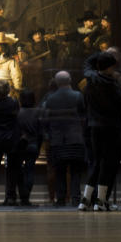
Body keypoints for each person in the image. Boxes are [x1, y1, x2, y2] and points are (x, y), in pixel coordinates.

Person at [80, 50, 121, 211]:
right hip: (111, 128)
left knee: (95, 163)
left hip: (94, 127)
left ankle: (85, 199)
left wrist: (101, 55)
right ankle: (101, 201)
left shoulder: (91, 79)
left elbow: (88, 62)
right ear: (110, 68)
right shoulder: (112, 86)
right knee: (108, 164)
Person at [42, 71, 86, 207]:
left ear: (56, 82)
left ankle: (60, 198)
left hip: (57, 140)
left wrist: (48, 137)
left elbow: (46, 120)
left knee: (60, 171)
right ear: (70, 80)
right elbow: (83, 115)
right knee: (75, 171)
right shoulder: (78, 96)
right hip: (75, 138)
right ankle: (75, 198)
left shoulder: (50, 99)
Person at [14, 89, 42, 206]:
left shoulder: (17, 113)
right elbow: (40, 132)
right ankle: (26, 197)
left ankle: (22, 196)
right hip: (33, 145)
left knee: (19, 172)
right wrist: (39, 146)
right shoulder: (37, 112)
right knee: (29, 171)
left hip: (20, 145)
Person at [0, 32, 22, 98]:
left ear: (3, 46)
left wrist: (17, 90)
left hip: (7, 91)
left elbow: (17, 76)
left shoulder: (11, 62)